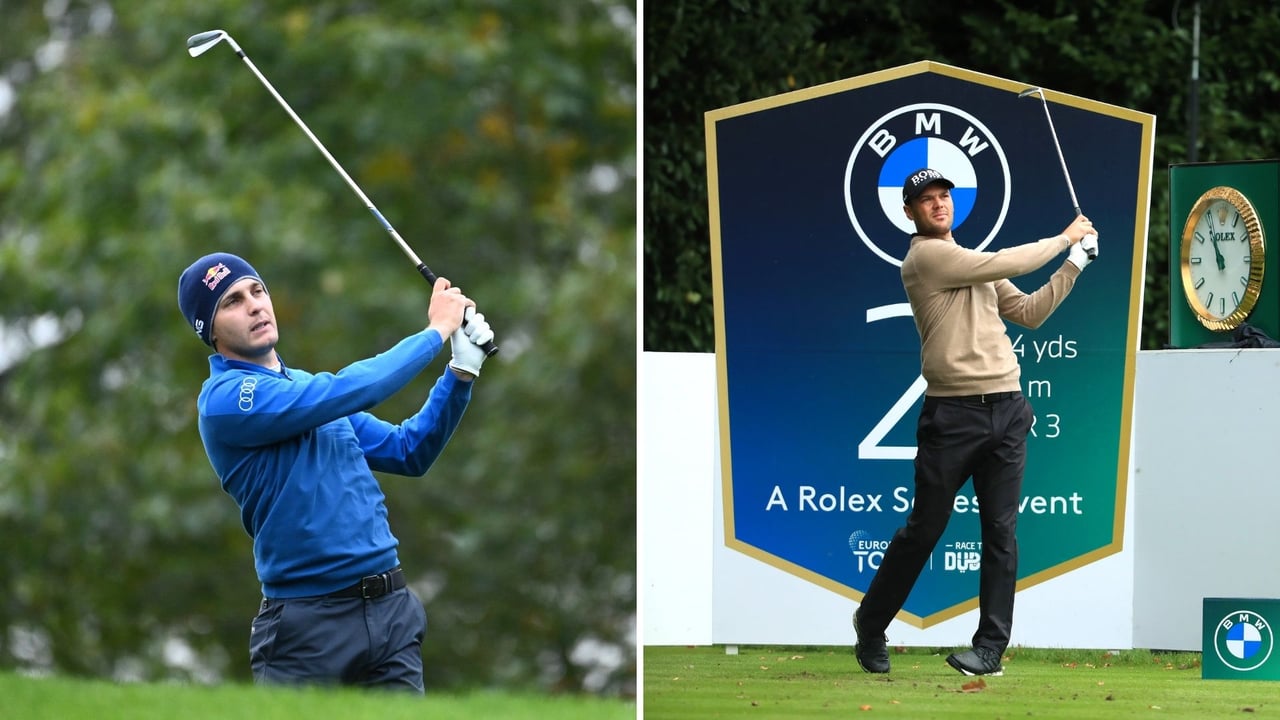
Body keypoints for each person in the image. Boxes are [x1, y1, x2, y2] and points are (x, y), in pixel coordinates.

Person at [176, 252, 494, 693]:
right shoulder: (226, 400)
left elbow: (409, 451)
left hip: (390, 613)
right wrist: (436, 332)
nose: (254, 306)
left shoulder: (307, 388)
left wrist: (461, 373)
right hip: (307, 629)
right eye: (232, 302)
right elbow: (351, 389)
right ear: (209, 330)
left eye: (257, 291)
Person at [853, 168, 1099, 677]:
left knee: (1001, 533)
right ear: (910, 212)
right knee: (925, 529)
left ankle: (989, 649)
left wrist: (1074, 265)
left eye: (944, 195)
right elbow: (1005, 260)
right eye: (926, 199)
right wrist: (1065, 239)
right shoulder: (926, 258)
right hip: (953, 415)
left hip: (1007, 408)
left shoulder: (971, 264)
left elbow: (1029, 312)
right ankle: (871, 623)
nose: (938, 204)